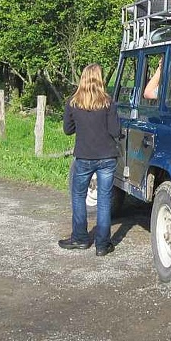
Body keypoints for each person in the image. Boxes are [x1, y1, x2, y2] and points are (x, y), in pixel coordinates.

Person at [60, 63, 121, 256]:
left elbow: (67, 130)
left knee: (78, 196)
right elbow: (116, 131)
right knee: (104, 199)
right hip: (107, 157)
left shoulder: (73, 102)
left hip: (84, 156)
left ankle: (80, 238)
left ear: (83, 79)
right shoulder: (108, 102)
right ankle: (102, 245)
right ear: (101, 79)